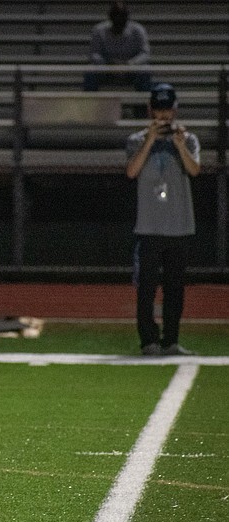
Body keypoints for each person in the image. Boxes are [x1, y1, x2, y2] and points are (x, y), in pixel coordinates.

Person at [125, 83, 200, 356]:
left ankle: (171, 341)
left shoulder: (188, 139)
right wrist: (150, 140)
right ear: (150, 110)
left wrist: (179, 145)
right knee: (146, 288)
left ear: (175, 110)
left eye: (167, 110)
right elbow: (132, 171)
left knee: (174, 288)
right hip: (149, 225)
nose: (163, 116)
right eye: (158, 110)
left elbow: (194, 170)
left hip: (179, 225)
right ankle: (149, 341)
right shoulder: (137, 140)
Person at [84, 1, 151, 92]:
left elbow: (145, 53)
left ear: (127, 17)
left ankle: (143, 101)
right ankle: (90, 101)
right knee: (90, 72)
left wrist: (129, 64)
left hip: (131, 71)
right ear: (110, 17)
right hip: (106, 70)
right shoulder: (99, 30)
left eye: (122, 17)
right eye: (116, 16)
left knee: (145, 72)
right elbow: (94, 54)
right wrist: (109, 65)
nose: (119, 20)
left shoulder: (137, 30)